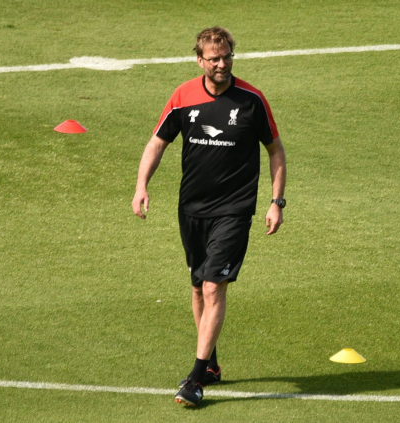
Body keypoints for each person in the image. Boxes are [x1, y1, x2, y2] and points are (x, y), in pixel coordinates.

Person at [131, 26, 287, 407]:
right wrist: (141, 186)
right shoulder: (183, 97)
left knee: (216, 286)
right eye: (214, 58)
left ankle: (196, 378)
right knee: (199, 286)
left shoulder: (251, 99)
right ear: (199, 60)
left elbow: (276, 151)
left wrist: (276, 202)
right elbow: (157, 143)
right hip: (192, 209)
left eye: (227, 56)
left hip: (234, 210)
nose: (222, 64)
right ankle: (213, 364)